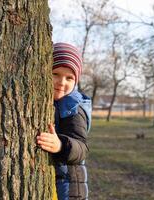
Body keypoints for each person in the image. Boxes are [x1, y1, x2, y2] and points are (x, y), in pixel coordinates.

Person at [37, 42, 91, 200]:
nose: (62, 82)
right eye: (55, 74)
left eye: (69, 78)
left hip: (71, 188)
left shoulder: (73, 107)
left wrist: (60, 145)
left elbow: (82, 148)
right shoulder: (54, 101)